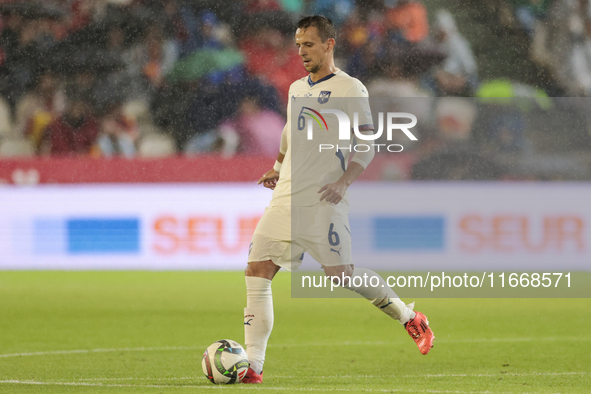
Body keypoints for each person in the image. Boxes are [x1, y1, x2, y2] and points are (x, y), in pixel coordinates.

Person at [242, 15, 435, 384]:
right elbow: (289, 130)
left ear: (329, 44)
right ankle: (254, 366)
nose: (302, 52)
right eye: (298, 45)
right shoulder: (297, 89)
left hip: (322, 201)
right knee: (257, 271)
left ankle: (409, 317)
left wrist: (344, 183)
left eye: (309, 45)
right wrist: (278, 166)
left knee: (341, 276)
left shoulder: (351, 89)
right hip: (285, 198)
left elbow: (367, 143)